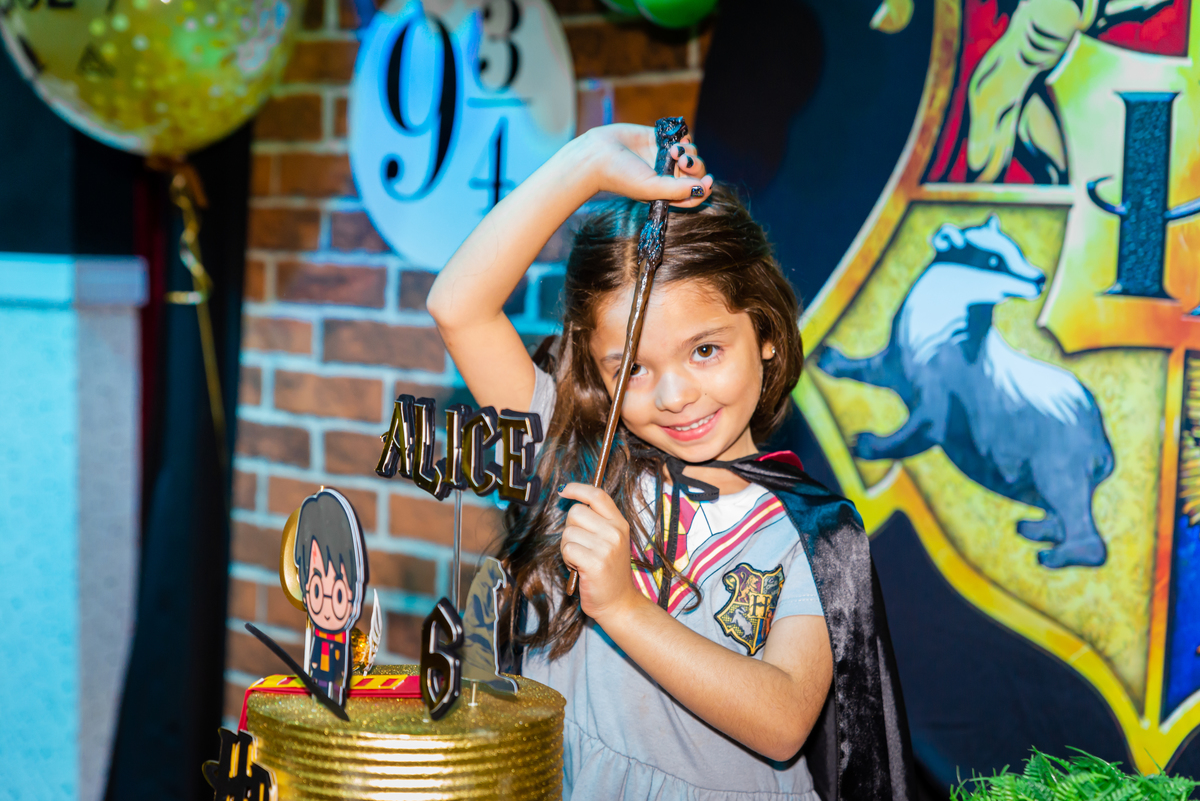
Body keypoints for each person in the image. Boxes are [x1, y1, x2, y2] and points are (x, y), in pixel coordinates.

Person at [427, 124, 913, 800]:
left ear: (766, 334)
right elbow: (458, 306)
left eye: (705, 350)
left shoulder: (812, 534)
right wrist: (581, 168)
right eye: (632, 367)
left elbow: (781, 720)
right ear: (596, 371)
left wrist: (623, 606)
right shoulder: (582, 460)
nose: (676, 395)